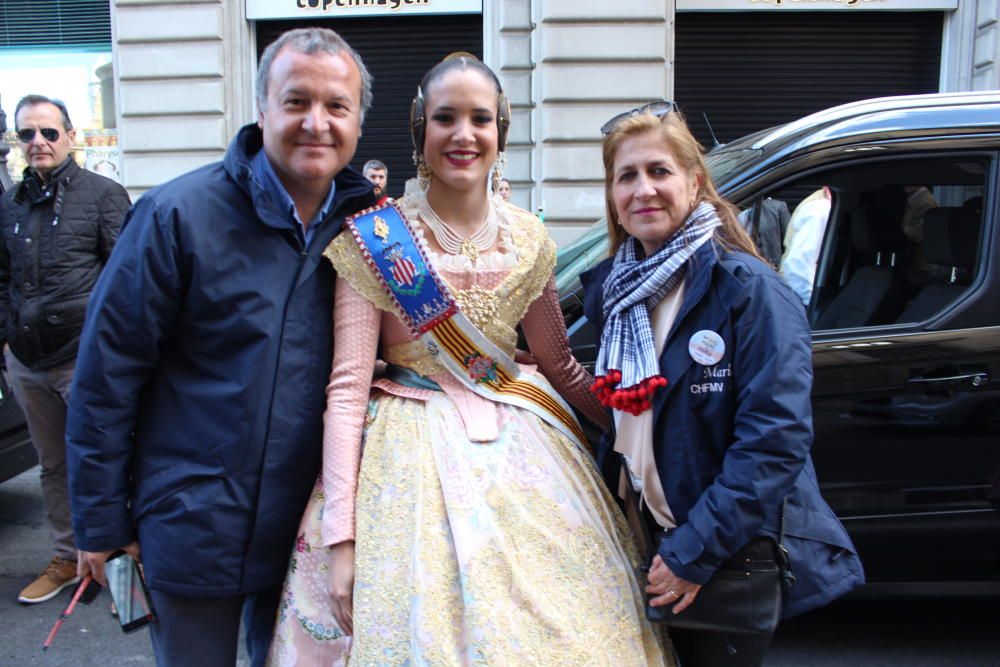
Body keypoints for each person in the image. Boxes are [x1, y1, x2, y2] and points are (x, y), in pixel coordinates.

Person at [267, 53, 669, 666]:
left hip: (527, 451)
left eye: (480, 119)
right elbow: (346, 390)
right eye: (445, 118)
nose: (463, 135)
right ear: (419, 130)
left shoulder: (529, 238)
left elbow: (559, 365)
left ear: (500, 133)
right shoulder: (374, 238)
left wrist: (645, 429)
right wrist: (341, 539)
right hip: (402, 461)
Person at [64, 28, 375, 667]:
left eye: (336, 106)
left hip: (305, 532)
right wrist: (101, 525)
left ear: (358, 121)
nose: (316, 123)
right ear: (262, 110)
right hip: (190, 524)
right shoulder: (177, 215)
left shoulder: (371, 232)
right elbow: (106, 377)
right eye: (296, 102)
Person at [581, 107, 864, 667]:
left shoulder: (750, 291)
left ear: (694, 180)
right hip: (652, 538)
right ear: (612, 192)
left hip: (720, 551)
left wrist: (692, 554)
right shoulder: (616, 295)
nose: (644, 190)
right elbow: (622, 412)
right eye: (627, 176)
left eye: (659, 171)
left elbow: (773, 442)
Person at [0, 94, 129, 605]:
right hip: (28, 360)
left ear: (70, 136)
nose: (38, 143)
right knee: (52, 465)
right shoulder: (7, 203)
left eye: (48, 132)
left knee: (106, 458)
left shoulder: (102, 195)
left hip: (85, 358)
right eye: (27, 134)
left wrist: (114, 351)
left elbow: (127, 279)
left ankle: (120, 562)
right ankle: (67, 557)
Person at [780, 186, 832, 306]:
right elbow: (797, 266)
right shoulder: (820, 208)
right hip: (798, 300)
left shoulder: (820, 204)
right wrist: (813, 306)